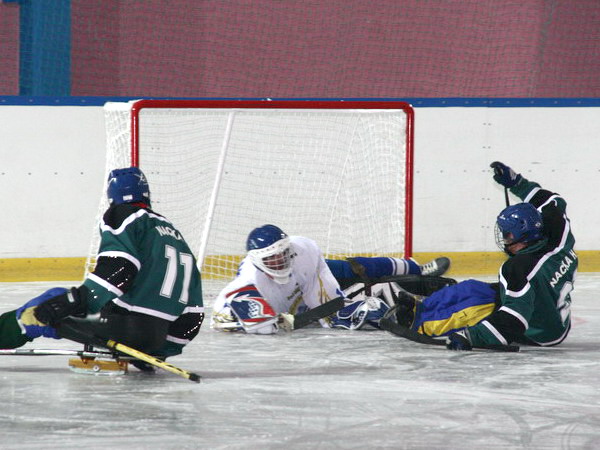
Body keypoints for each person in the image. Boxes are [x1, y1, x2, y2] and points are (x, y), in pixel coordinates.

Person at [0, 167, 205, 364]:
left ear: (111, 197)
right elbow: (195, 311)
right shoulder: (176, 237)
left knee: (48, 302)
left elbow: (120, 269)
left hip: (121, 328)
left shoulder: (123, 214)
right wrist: (161, 350)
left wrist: (76, 299)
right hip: (156, 337)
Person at [387, 161, 577, 350]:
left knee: (475, 308)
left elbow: (515, 319)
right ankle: (419, 309)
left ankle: (421, 324)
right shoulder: (558, 234)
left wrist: (473, 336)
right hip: (547, 305)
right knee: (471, 288)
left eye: (507, 234)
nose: (504, 238)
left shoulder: (518, 268)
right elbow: (553, 201)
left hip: (540, 330)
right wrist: (516, 183)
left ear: (523, 237)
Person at [210, 223, 450, 334]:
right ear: (258, 261)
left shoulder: (302, 251)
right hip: (295, 297)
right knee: (370, 295)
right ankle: (406, 292)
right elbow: (224, 317)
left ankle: (415, 267)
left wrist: (333, 311)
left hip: (307, 282)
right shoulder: (250, 284)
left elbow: (330, 306)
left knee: (354, 268)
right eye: (271, 258)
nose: (280, 261)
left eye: (283, 253)